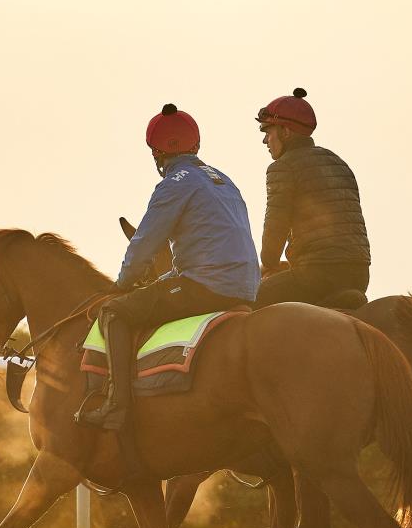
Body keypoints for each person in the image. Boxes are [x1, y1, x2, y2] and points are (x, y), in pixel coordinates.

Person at [76, 104, 260, 431]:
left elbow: (144, 243)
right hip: (246, 286)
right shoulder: (223, 180)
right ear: (196, 144)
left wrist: (122, 284)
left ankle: (116, 406)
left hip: (207, 285)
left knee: (115, 313)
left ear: (157, 153)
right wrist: (161, 280)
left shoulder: (174, 183)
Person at [254, 88, 371, 309]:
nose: (265, 140)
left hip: (317, 275)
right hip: (359, 274)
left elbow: (276, 225)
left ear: (285, 132)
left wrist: (268, 262)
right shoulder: (338, 162)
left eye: (268, 132)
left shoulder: (282, 167)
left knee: (248, 300)